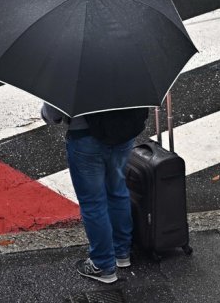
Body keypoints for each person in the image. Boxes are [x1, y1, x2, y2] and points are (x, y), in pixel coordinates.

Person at [41, 103, 145, 284]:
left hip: (85, 138)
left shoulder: (70, 73)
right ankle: (122, 252)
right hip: (122, 134)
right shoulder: (127, 72)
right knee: (118, 191)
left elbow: (52, 115)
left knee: (93, 203)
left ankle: (103, 264)